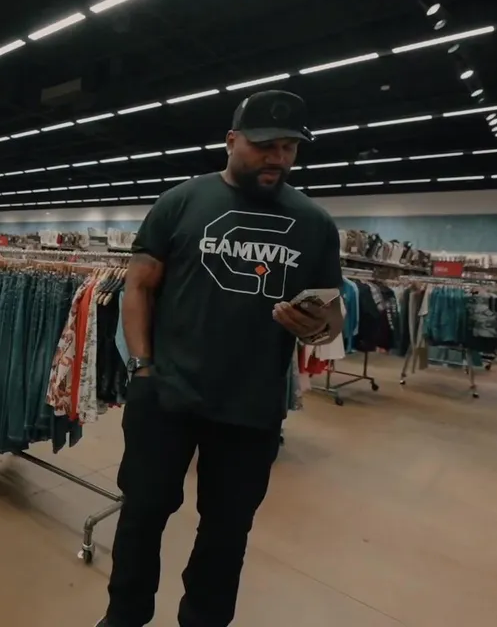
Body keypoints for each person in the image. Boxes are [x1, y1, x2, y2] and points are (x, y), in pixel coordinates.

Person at [100, 90, 345, 627]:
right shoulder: (181, 202)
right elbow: (138, 286)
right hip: (166, 394)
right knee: (142, 513)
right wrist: (142, 369)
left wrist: (315, 326)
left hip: (251, 408)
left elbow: (331, 318)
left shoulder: (315, 223)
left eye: (289, 148)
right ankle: (124, 617)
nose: (277, 158)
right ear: (232, 141)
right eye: (264, 146)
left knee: (227, 531)